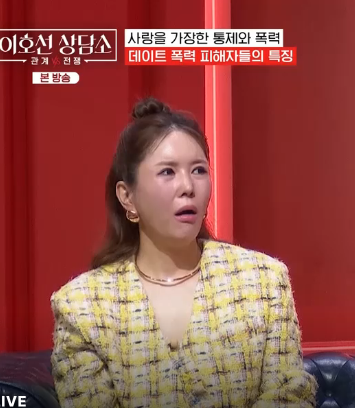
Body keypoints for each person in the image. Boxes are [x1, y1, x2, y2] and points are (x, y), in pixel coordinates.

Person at [50, 97, 317, 408]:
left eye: (199, 170)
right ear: (127, 197)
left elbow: (289, 395)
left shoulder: (263, 282)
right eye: (167, 172)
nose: (188, 186)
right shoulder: (83, 307)